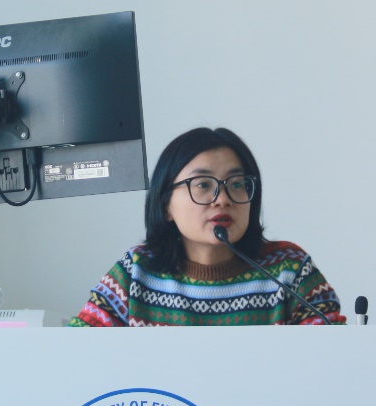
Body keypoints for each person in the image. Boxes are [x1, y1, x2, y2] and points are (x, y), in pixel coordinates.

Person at [69, 127, 345, 326]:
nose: (222, 199)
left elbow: (334, 358)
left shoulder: (288, 268)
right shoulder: (136, 272)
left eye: (237, 184)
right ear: (166, 205)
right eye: (203, 184)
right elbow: (76, 354)